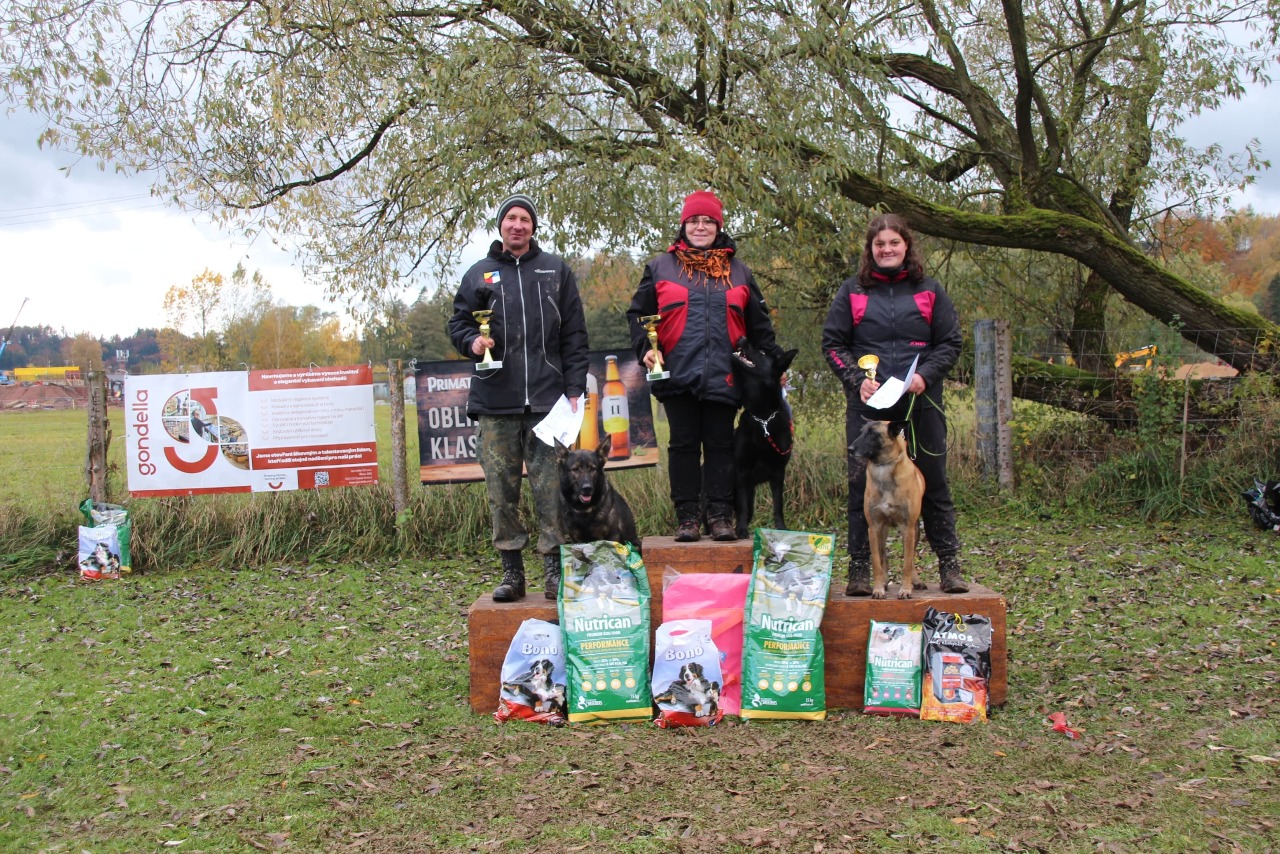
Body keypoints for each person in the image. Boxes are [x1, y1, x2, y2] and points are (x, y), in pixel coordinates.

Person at [449, 193, 589, 601]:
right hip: (495, 403)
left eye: (525, 219)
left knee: (552, 491)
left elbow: (575, 334)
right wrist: (473, 342)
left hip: (548, 405)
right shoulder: (479, 274)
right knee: (501, 494)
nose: (517, 225)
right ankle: (512, 573)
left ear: (533, 227)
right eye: (511, 218)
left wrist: (575, 387)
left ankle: (554, 570)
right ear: (500, 225)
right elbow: (458, 324)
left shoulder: (555, 270)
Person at [821, 212, 969, 594]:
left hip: (919, 401)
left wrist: (925, 375)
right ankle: (860, 568)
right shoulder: (851, 291)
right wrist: (856, 381)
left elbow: (950, 342)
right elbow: (833, 344)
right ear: (870, 249)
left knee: (933, 482)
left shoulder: (930, 290)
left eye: (894, 243)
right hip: (869, 407)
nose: (887, 249)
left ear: (906, 246)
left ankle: (949, 565)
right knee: (861, 486)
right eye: (879, 244)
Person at [627, 190, 785, 542]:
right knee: (682, 445)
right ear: (684, 225)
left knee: (721, 445)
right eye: (694, 221)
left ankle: (719, 515)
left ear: (718, 226)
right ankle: (687, 518)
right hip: (676, 372)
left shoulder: (740, 272)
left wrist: (775, 364)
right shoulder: (660, 267)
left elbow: (760, 328)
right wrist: (645, 350)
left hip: (725, 375)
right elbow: (638, 316)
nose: (700, 227)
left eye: (708, 221)